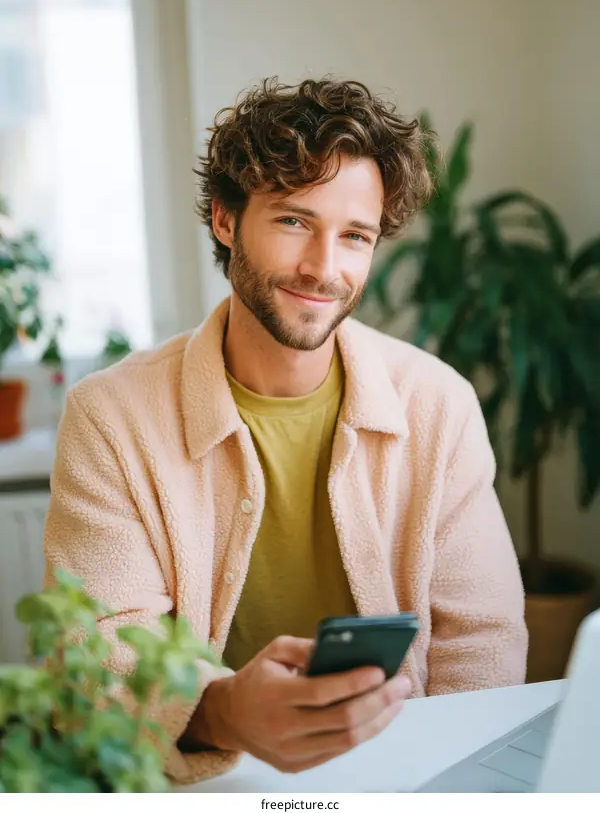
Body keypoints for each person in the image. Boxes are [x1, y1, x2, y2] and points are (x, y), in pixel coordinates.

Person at [43, 77, 527, 785]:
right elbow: (98, 650)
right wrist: (218, 710)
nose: (324, 269)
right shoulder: (110, 417)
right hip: (201, 781)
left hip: (404, 779)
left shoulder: (438, 405)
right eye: (295, 221)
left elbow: (481, 647)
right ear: (226, 219)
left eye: (355, 236)